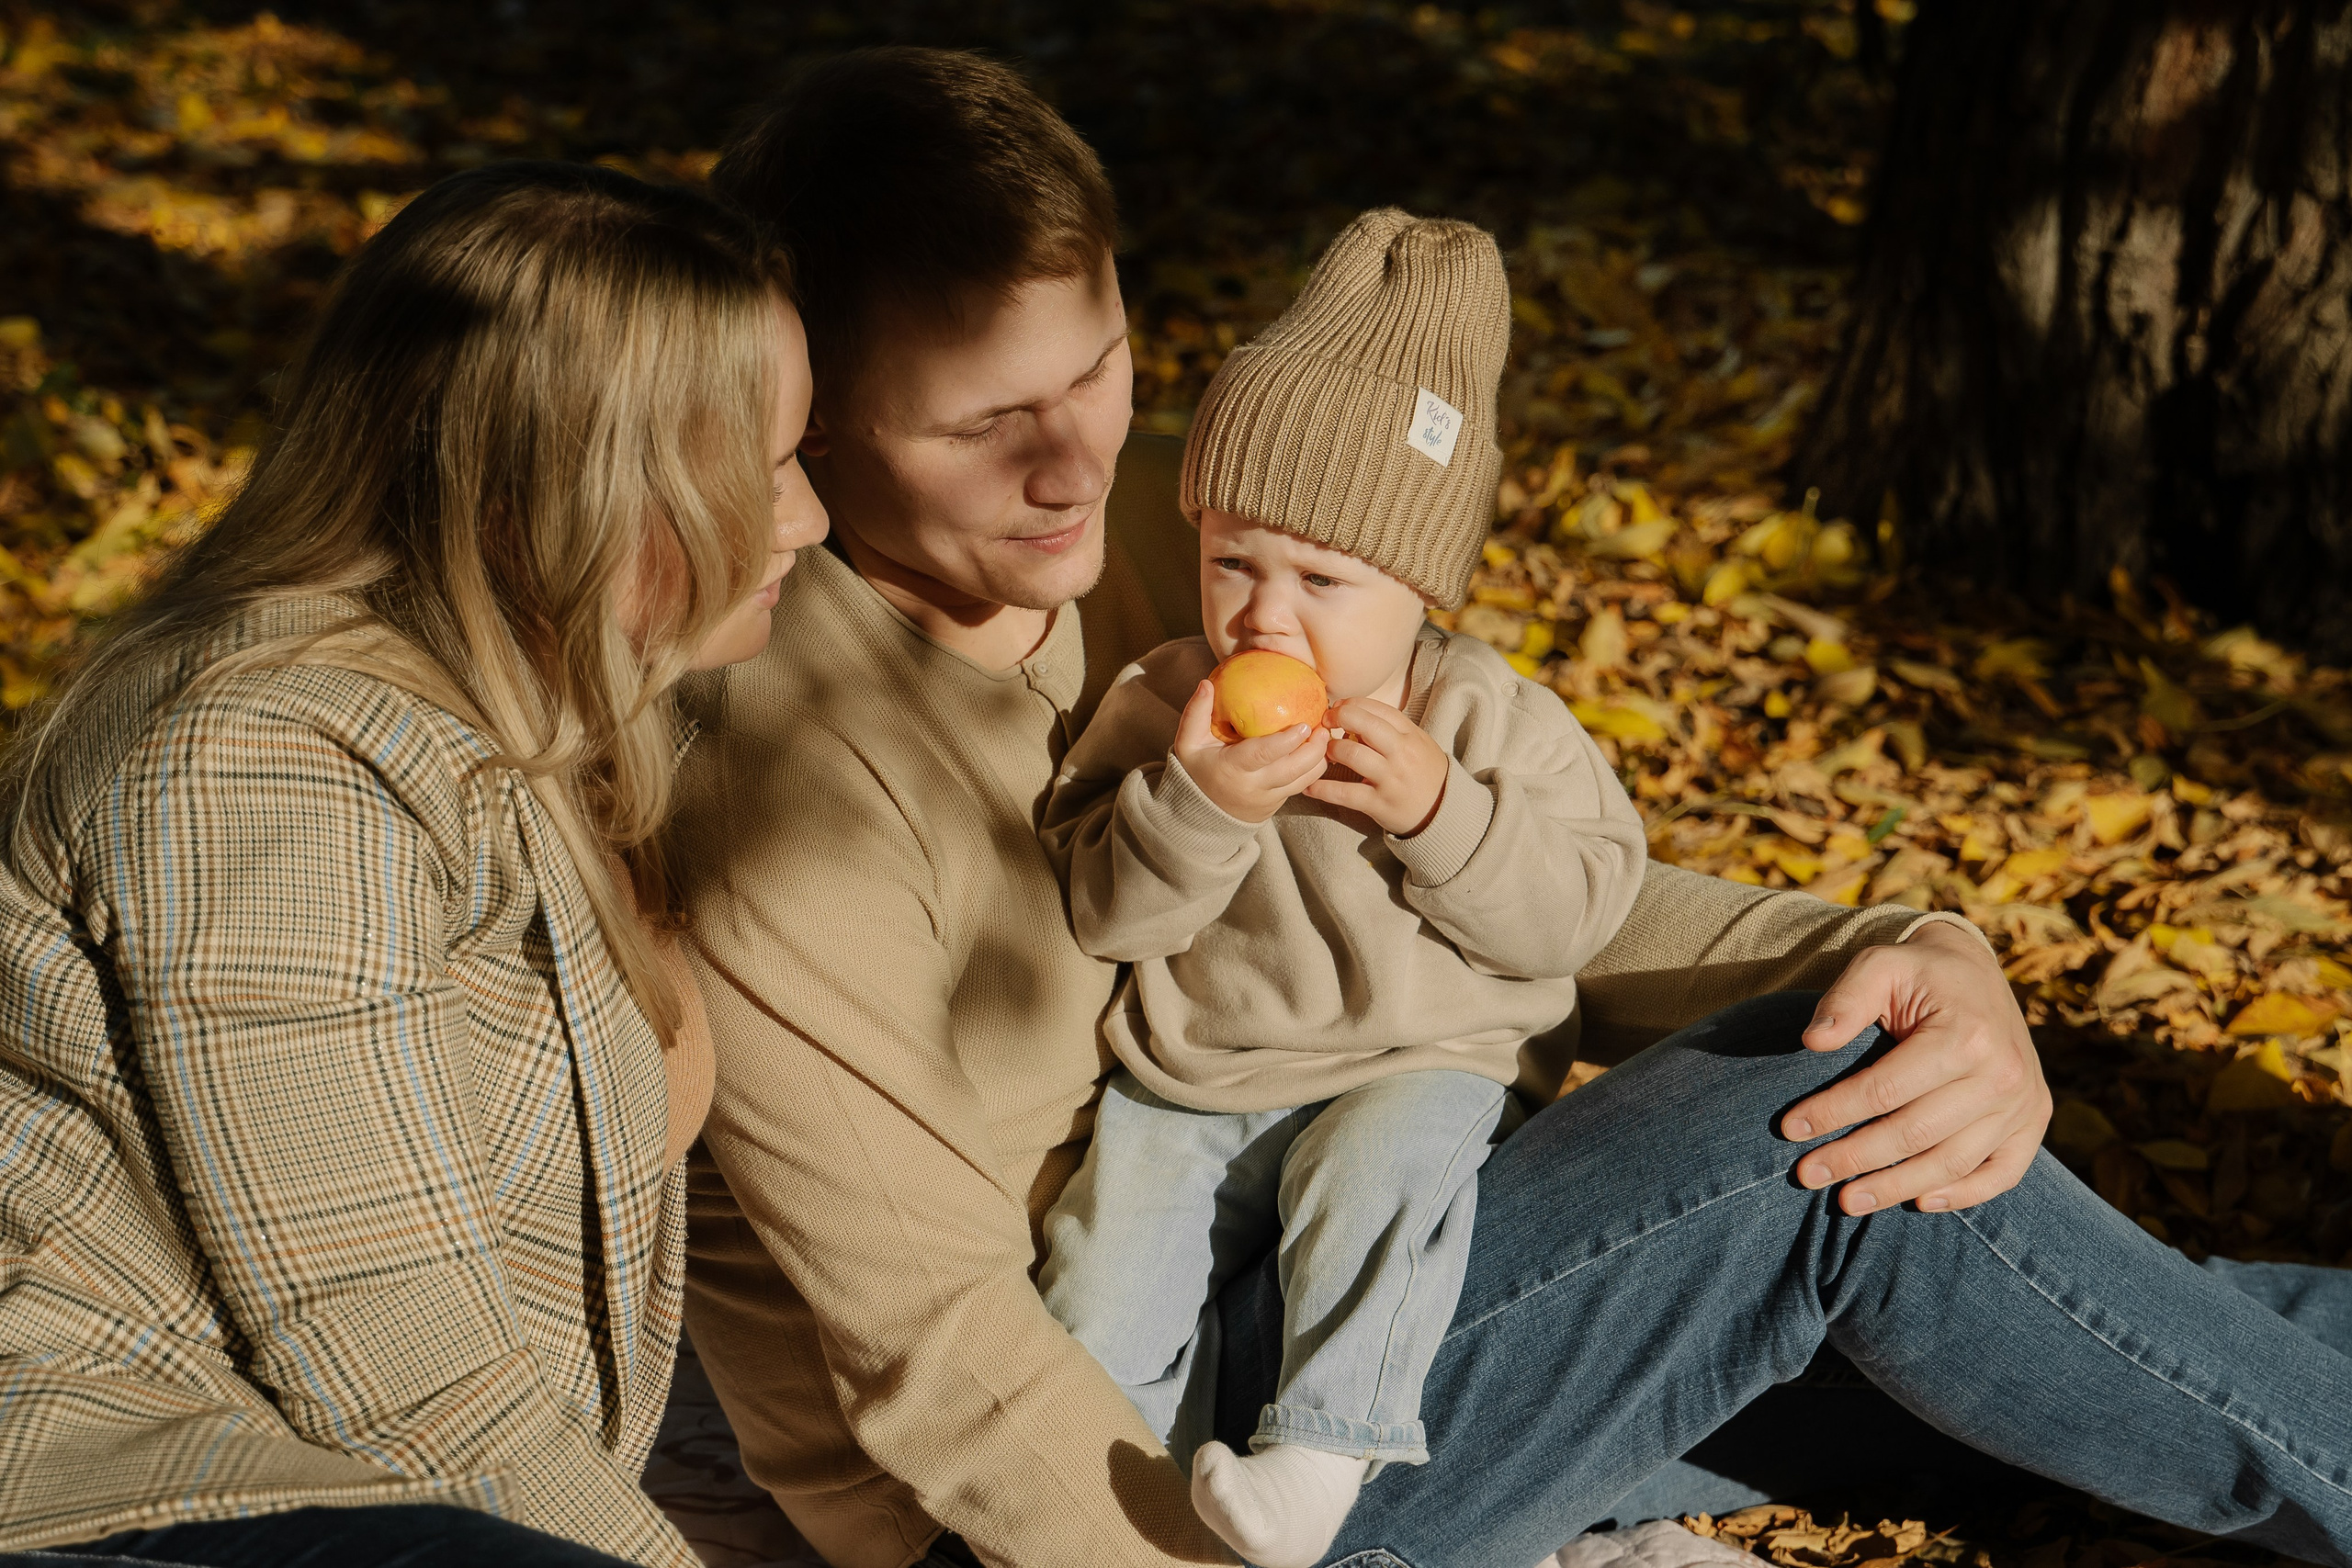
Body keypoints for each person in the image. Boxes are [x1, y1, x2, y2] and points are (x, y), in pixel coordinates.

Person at [673, 45, 2352, 1568]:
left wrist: (1905, 944)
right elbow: (940, 1352)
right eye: (984, 424)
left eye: (1101, 367)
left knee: (1983, 1282)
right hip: (1119, 1465)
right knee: (1818, 1150)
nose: (1074, 465)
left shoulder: (1176, 531)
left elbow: (1491, 863)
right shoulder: (782, 792)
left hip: (1347, 1260)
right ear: (811, 422)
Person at [0, 160, 829, 1567]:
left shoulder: (529, 733)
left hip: (348, 1501)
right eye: (758, 476)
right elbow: (391, 1355)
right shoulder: (259, 759)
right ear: (561, 493)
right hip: (126, 1494)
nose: (805, 520)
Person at [1035, 209, 1649, 1568]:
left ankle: (1321, 1452)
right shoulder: (1166, 702)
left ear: (1423, 588)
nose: (1266, 614)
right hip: (1196, 1071)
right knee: (1101, 1266)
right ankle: (1124, 1514)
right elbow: (1102, 912)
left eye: (1322, 577)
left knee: (1389, 1185)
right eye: (1231, 561)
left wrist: (1445, 816)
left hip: (1412, 1057)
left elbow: (1583, 912)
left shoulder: (1482, 721)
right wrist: (1195, 808)